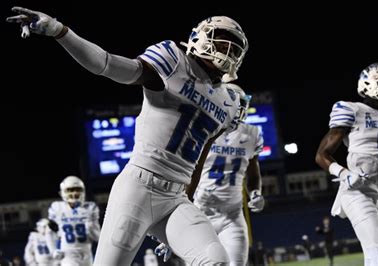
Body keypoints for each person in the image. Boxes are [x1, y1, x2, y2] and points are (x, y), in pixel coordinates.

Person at [7, 7, 248, 265]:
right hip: (138, 189)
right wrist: (59, 31)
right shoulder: (174, 62)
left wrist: (187, 198)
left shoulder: (231, 101)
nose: (228, 52)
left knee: (216, 260)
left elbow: (200, 156)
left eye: (234, 49)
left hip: (176, 198)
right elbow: (106, 63)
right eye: (223, 43)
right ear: (200, 37)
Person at [154, 85, 264, 266]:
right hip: (201, 213)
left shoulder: (251, 134)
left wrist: (255, 193)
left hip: (232, 216)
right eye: (236, 105)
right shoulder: (203, 131)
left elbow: (253, 174)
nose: (239, 111)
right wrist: (173, 226)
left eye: (241, 105)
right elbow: (190, 176)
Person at [315, 63, 378, 266]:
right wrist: (344, 174)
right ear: (371, 84)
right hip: (355, 191)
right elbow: (322, 155)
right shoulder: (352, 109)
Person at [46, 176, 101, 266]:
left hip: (86, 253)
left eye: (77, 189)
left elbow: (98, 237)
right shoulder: (57, 208)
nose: (74, 193)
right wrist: (53, 250)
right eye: (70, 190)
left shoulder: (90, 207)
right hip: (68, 254)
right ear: (63, 192)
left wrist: (91, 226)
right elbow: (49, 233)